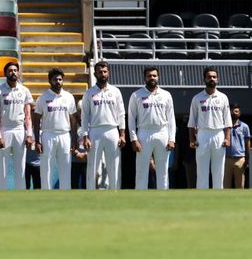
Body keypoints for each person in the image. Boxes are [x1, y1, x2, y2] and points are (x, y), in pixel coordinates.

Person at [128, 66, 176, 190]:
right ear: (145, 78)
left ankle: (163, 196)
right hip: (143, 133)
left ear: (158, 77)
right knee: (141, 169)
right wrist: (134, 139)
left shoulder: (166, 95)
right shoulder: (136, 95)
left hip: (162, 132)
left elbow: (171, 119)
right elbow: (131, 118)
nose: (152, 78)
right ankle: (140, 196)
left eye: (154, 75)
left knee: (163, 169)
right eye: (149, 76)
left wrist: (172, 139)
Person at [81, 61, 125, 190]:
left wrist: (122, 134)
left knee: (114, 165)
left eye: (105, 71)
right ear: (95, 74)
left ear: (108, 73)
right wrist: (85, 136)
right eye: (100, 72)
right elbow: (84, 116)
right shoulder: (89, 93)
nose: (103, 74)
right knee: (92, 165)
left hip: (112, 130)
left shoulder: (116, 91)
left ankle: (115, 192)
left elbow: (121, 114)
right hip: (95, 131)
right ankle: (90, 192)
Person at [188, 67, 232, 189]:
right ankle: (201, 197)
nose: (211, 79)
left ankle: (218, 198)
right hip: (202, 135)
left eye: (214, 77)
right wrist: (192, 139)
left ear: (217, 79)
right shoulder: (197, 98)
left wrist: (227, 138)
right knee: (202, 170)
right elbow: (192, 121)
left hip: (218, 134)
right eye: (209, 77)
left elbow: (228, 121)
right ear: (204, 79)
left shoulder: (223, 97)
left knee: (218, 170)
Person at [34, 68, 77, 190]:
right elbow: (36, 121)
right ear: (49, 81)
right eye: (55, 79)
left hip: (64, 135)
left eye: (60, 79)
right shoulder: (42, 98)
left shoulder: (69, 97)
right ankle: (46, 193)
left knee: (65, 167)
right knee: (46, 168)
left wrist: (74, 139)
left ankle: (65, 193)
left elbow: (73, 120)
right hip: (48, 135)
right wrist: (37, 140)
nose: (58, 82)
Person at [0, 62, 33, 190]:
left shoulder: (25, 90)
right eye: (10, 70)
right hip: (5, 130)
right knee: (3, 165)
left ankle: (20, 192)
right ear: (5, 73)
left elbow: (28, 115)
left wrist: (29, 134)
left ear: (18, 72)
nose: (13, 72)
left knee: (20, 166)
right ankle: (2, 193)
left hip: (20, 130)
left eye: (15, 70)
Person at [224, 103, 250, 189]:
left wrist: (247, 159)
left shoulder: (244, 127)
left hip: (240, 159)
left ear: (239, 113)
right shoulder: (224, 126)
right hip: (227, 159)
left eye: (236, 111)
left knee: (240, 187)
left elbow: (247, 143)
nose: (234, 113)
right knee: (225, 186)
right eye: (232, 111)